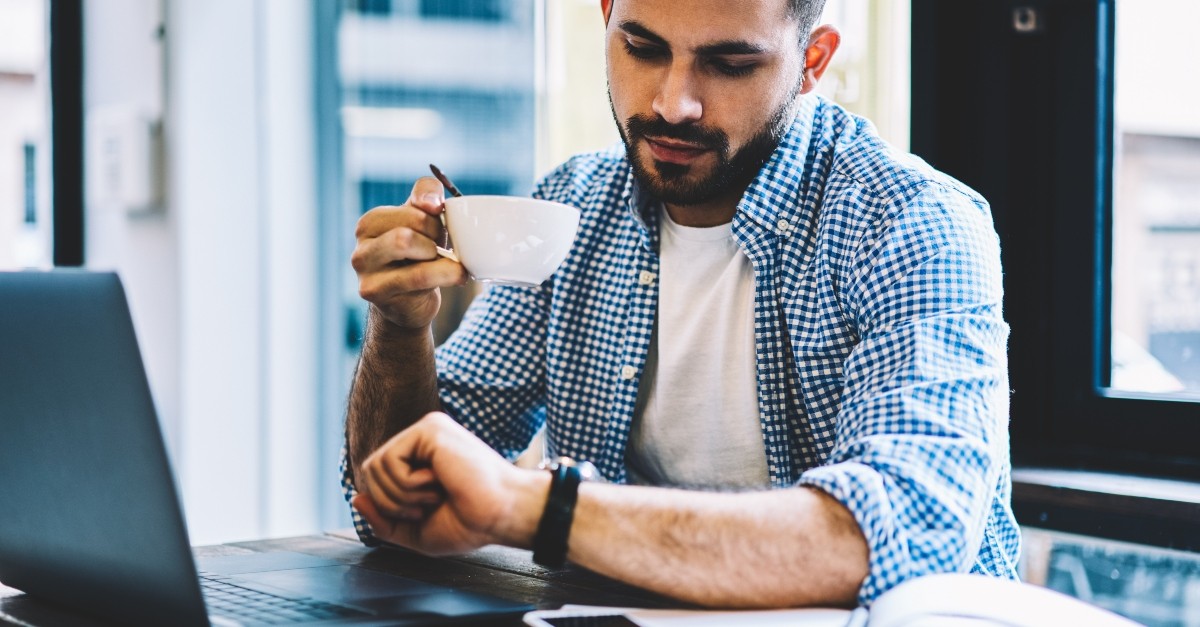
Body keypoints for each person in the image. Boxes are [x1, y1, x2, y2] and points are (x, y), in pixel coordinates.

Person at [342, 0, 1018, 609]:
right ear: (606, 18)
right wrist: (402, 329)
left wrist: (541, 509)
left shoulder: (912, 223)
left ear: (812, 61)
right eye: (643, 48)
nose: (674, 103)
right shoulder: (575, 207)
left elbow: (900, 535)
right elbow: (395, 504)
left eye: (729, 64)